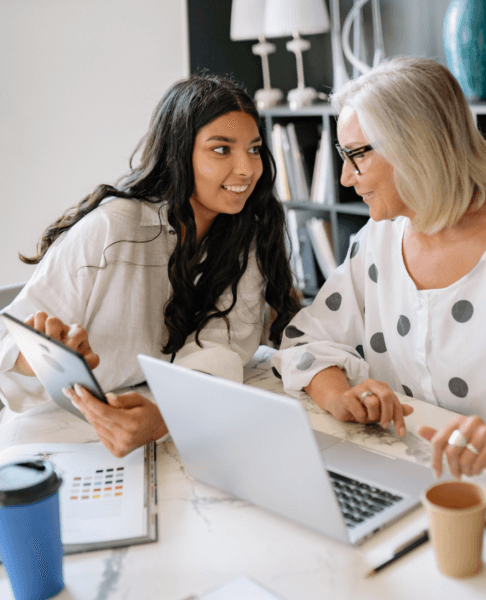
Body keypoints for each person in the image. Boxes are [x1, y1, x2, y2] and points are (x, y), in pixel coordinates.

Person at [272, 56, 486, 478]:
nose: (345, 178)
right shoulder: (377, 241)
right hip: (397, 473)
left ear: (413, 147)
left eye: (356, 156)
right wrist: (342, 397)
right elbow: (305, 342)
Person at [0, 73, 300, 457]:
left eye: (255, 149)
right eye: (222, 150)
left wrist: (166, 416)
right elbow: (9, 343)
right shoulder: (113, 228)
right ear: (179, 153)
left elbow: (225, 351)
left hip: (155, 420)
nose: (247, 169)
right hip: (57, 436)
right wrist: (47, 355)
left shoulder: (245, 236)